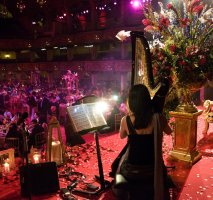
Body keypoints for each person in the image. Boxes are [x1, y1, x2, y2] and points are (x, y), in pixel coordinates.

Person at [113, 84, 172, 200]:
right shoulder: (158, 118)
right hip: (153, 167)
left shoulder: (125, 120)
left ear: (131, 101)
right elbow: (169, 132)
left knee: (118, 164)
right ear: (147, 100)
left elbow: (121, 136)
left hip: (132, 170)